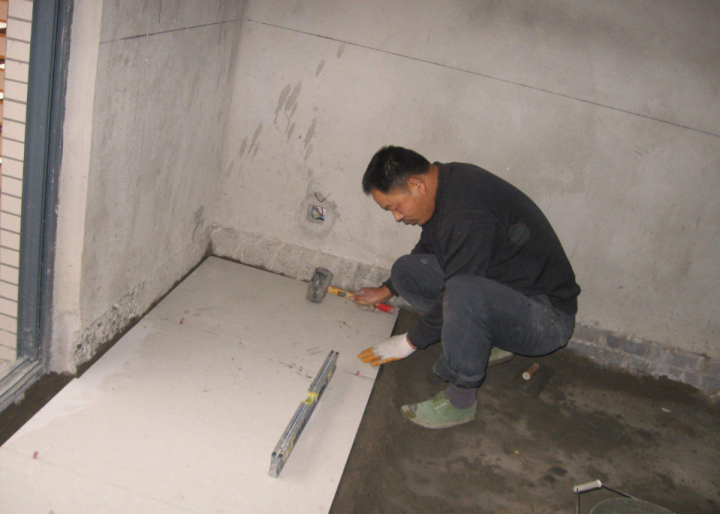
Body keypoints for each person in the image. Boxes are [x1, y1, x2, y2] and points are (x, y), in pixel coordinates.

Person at [353, 146, 580, 429]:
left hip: (545, 317)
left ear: (416, 184)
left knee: (462, 291)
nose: (397, 217)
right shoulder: (446, 182)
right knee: (406, 272)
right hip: (508, 293)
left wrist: (408, 342)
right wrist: (387, 289)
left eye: (395, 207)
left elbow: (459, 288)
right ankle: (485, 341)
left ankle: (460, 401)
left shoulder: (466, 211)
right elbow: (432, 245)